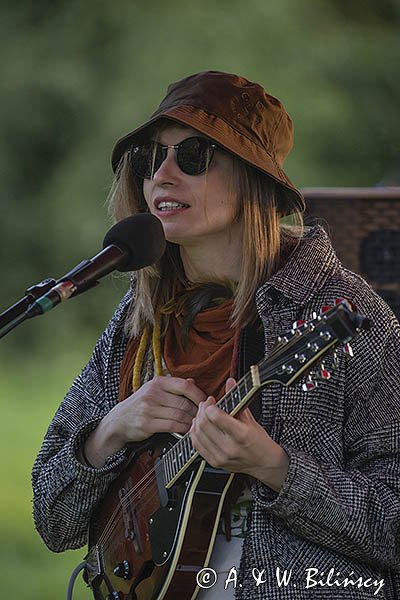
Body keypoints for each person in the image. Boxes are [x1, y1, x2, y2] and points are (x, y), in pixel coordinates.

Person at [32, 71, 400, 599]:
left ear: (254, 179)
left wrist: (275, 469)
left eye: (195, 155)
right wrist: (114, 428)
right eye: (150, 157)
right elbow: (53, 519)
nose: (162, 174)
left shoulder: (346, 315)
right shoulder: (139, 322)